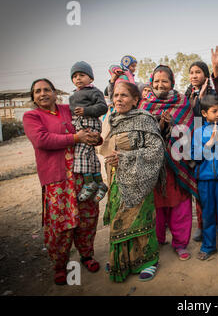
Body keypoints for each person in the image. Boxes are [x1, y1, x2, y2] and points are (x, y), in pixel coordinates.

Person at [23, 78, 102, 285]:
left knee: (87, 218)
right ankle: (60, 265)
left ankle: (86, 255)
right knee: (61, 225)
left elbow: (89, 124)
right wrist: (75, 138)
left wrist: (96, 138)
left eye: (47, 89)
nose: (43, 94)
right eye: (38, 91)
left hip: (81, 175)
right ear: (33, 97)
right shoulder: (32, 116)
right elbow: (42, 140)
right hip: (57, 180)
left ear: (54, 92)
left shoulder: (69, 109)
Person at [101, 82, 165, 282]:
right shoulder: (111, 120)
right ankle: (121, 261)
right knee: (117, 221)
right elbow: (104, 148)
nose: (118, 99)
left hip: (139, 180)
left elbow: (156, 151)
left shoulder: (145, 120)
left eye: (124, 95)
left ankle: (148, 261)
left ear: (136, 100)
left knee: (141, 221)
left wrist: (126, 157)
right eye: (116, 95)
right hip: (117, 179)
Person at [140, 65, 199, 261]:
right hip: (154, 166)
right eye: (156, 81)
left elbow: (188, 129)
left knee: (179, 203)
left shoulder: (182, 102)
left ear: (172, 82)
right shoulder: (144, 105)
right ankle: (157, 240)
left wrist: (172, 125)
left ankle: (181, 243)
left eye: (164, 81)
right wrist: (161, 125)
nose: (160, 85)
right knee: (156, 204)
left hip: (177, 165)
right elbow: (141, 134)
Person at [191, 94, 218, 264]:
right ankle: (208, 246)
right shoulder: (198, 133)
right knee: (208, 214)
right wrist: (209, 144)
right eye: (214, 111)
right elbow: (195, 156)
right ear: (204, 113)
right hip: (205, 180)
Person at [69, 61, 108, 203]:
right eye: (74, 76)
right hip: (80, 125)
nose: (78, 78)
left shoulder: (94, 91)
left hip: (89, 124)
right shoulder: (73, 95)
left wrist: (86, 111)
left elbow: (103, 107)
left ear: (90, 78)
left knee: (82, 153)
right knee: (90, 155)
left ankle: (89, 182)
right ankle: (99, 183)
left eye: (82, 75)